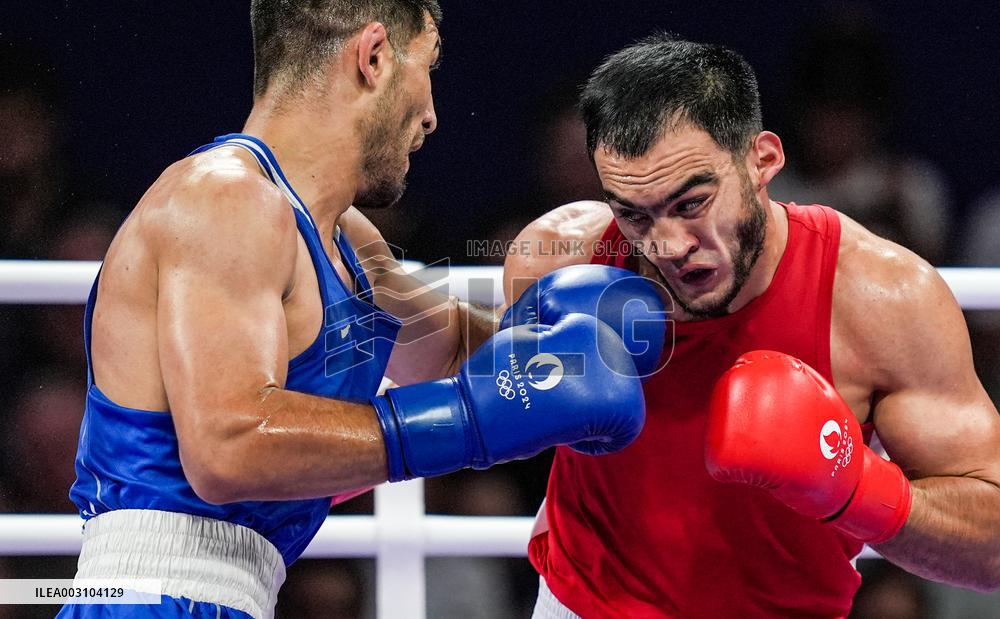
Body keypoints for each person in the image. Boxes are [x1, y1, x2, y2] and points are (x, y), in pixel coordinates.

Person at [59, 2, 662, 617]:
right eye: (427, 69)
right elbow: (227, 446)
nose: (431, 117)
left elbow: (451, 350)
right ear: (373, 57)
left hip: (235, 594)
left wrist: (576, 351)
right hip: (147, 594)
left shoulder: (346, 239)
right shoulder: (225, 200)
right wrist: (466, 424)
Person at [504, 35, 1000, 618]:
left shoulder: (880, 300)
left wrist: (854, 488)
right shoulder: (559, 261)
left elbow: (989, 549)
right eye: (634, 213)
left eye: (691, 204)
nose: (667, 244)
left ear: (762, 160)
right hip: (582, 603)